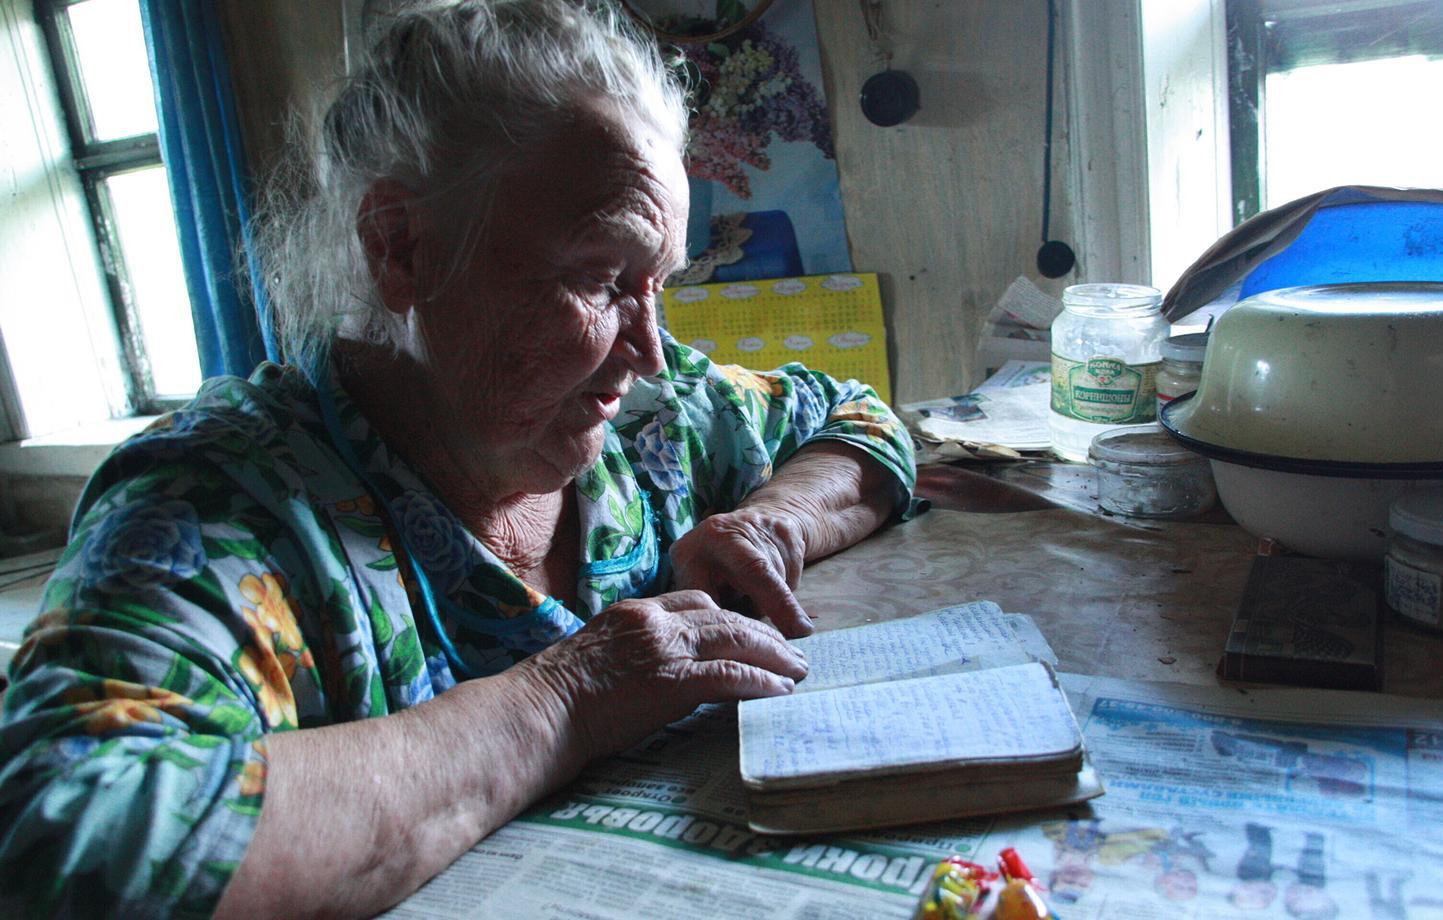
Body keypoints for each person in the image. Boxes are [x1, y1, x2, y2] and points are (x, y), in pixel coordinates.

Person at [0, 2, 916, 917]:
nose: (650, 350)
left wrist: (772, 519)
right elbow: (74, 842)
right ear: (400, 248)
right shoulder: (217, 509)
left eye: (660, 283)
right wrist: (566, 698)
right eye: (602, 279)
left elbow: (857, 419)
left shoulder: (653, 421)